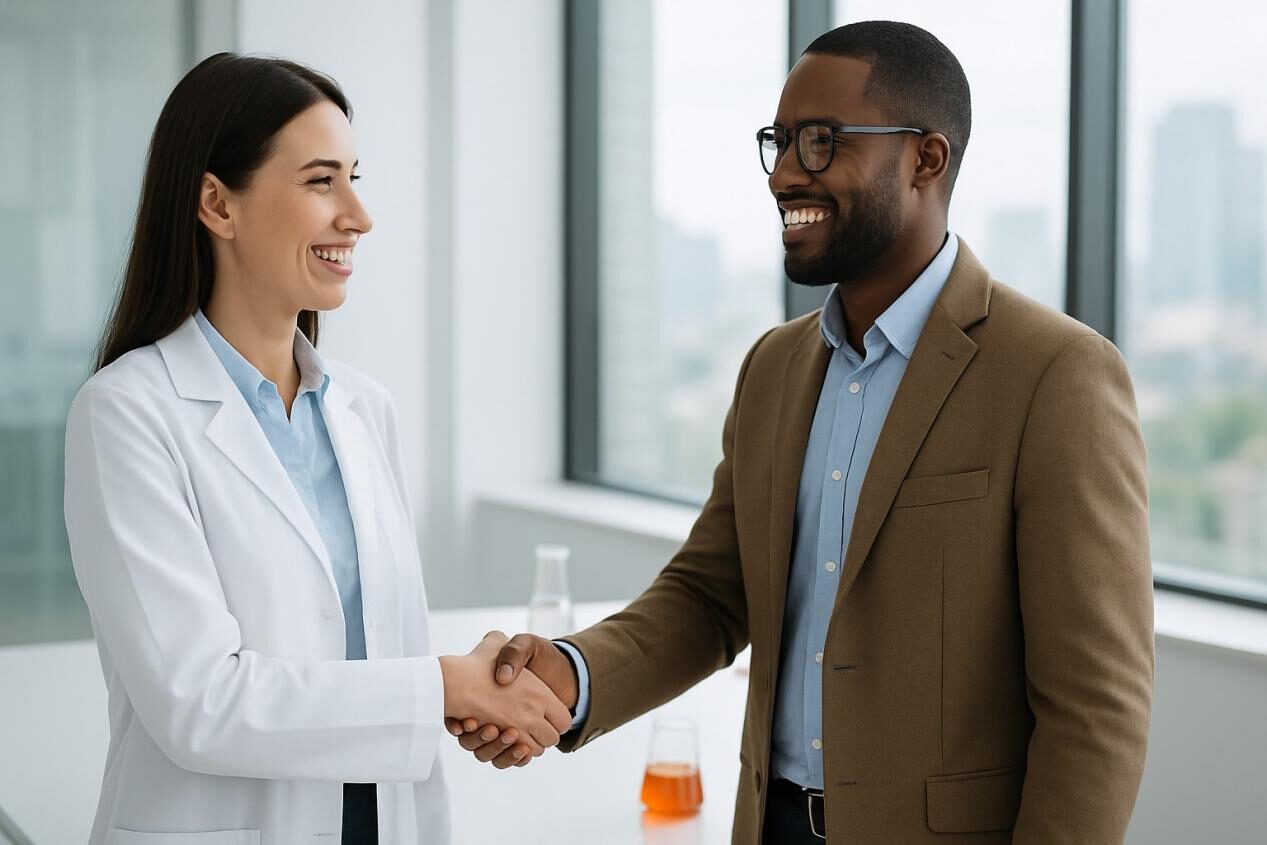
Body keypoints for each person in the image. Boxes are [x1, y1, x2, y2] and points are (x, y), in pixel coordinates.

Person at [451, 21, 1154, 844]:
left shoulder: (1054, 374)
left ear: (925, 159)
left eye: (821, 142)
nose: (786, 172)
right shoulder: (774, 368)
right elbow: (712, 594)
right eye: (779, 142)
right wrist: (570, 675)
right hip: (770, 823)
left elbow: (1096, 704)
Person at [63, 53, 570, 845]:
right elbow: (199, 702)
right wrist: (441, 686)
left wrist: (471, 693)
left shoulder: (366, 409)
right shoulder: (127, 413)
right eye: (319, 180)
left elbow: (372, 656)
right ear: (216, 204)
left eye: (354, 178)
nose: (358, 215)